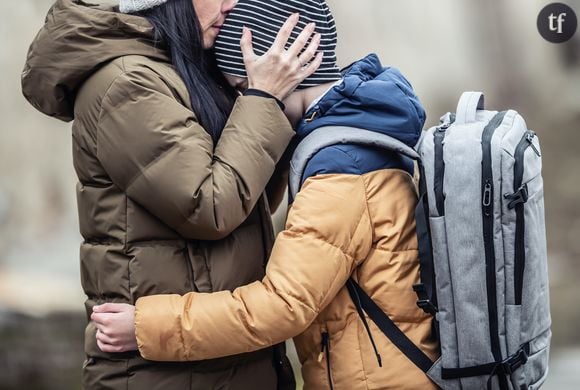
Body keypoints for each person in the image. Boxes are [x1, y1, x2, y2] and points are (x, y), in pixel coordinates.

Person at [91, 0, 440, 388]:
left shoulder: (341, 166)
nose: (245, 101)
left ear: (286, 69)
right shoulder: (360, 134)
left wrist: (146, 325)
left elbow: (281, 306)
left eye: (244, 87)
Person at [21, 0, 324, 388]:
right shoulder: (127, 83)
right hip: (167, 372)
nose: (231, 5)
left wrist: (273, 104)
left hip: (211, 360)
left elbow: (251, 202)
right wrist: (264, 99)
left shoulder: (176, 70)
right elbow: (210, 206)